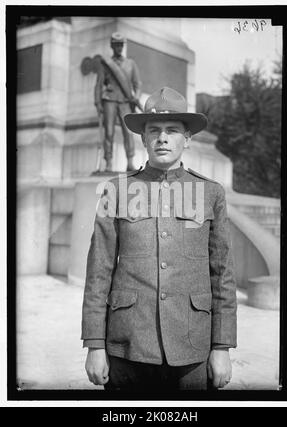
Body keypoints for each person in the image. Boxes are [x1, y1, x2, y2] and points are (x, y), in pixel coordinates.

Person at [81, 87, 237, 391]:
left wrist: (222, 346)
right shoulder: (115, 190)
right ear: (143, 138)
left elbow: (223, 276)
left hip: (192, 348)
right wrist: (94, 344)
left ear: (188, 138)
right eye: (154, 130)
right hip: (127, 346)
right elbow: (98, 272)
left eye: (172, 130)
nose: (162, 138)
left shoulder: (212, 193)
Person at [94, 32, 142, 172]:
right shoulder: (106, 64)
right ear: (112, 46)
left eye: (121, 44)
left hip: (125, 102)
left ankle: (130, 162)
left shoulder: (131, 64)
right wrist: (97, 103)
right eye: (116, 44)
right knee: (108, 132)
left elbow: (137, 84)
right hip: (109, 100)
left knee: (128, 132)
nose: (119, 47)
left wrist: (136, 97)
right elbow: (99, 84)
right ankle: (108, 162)